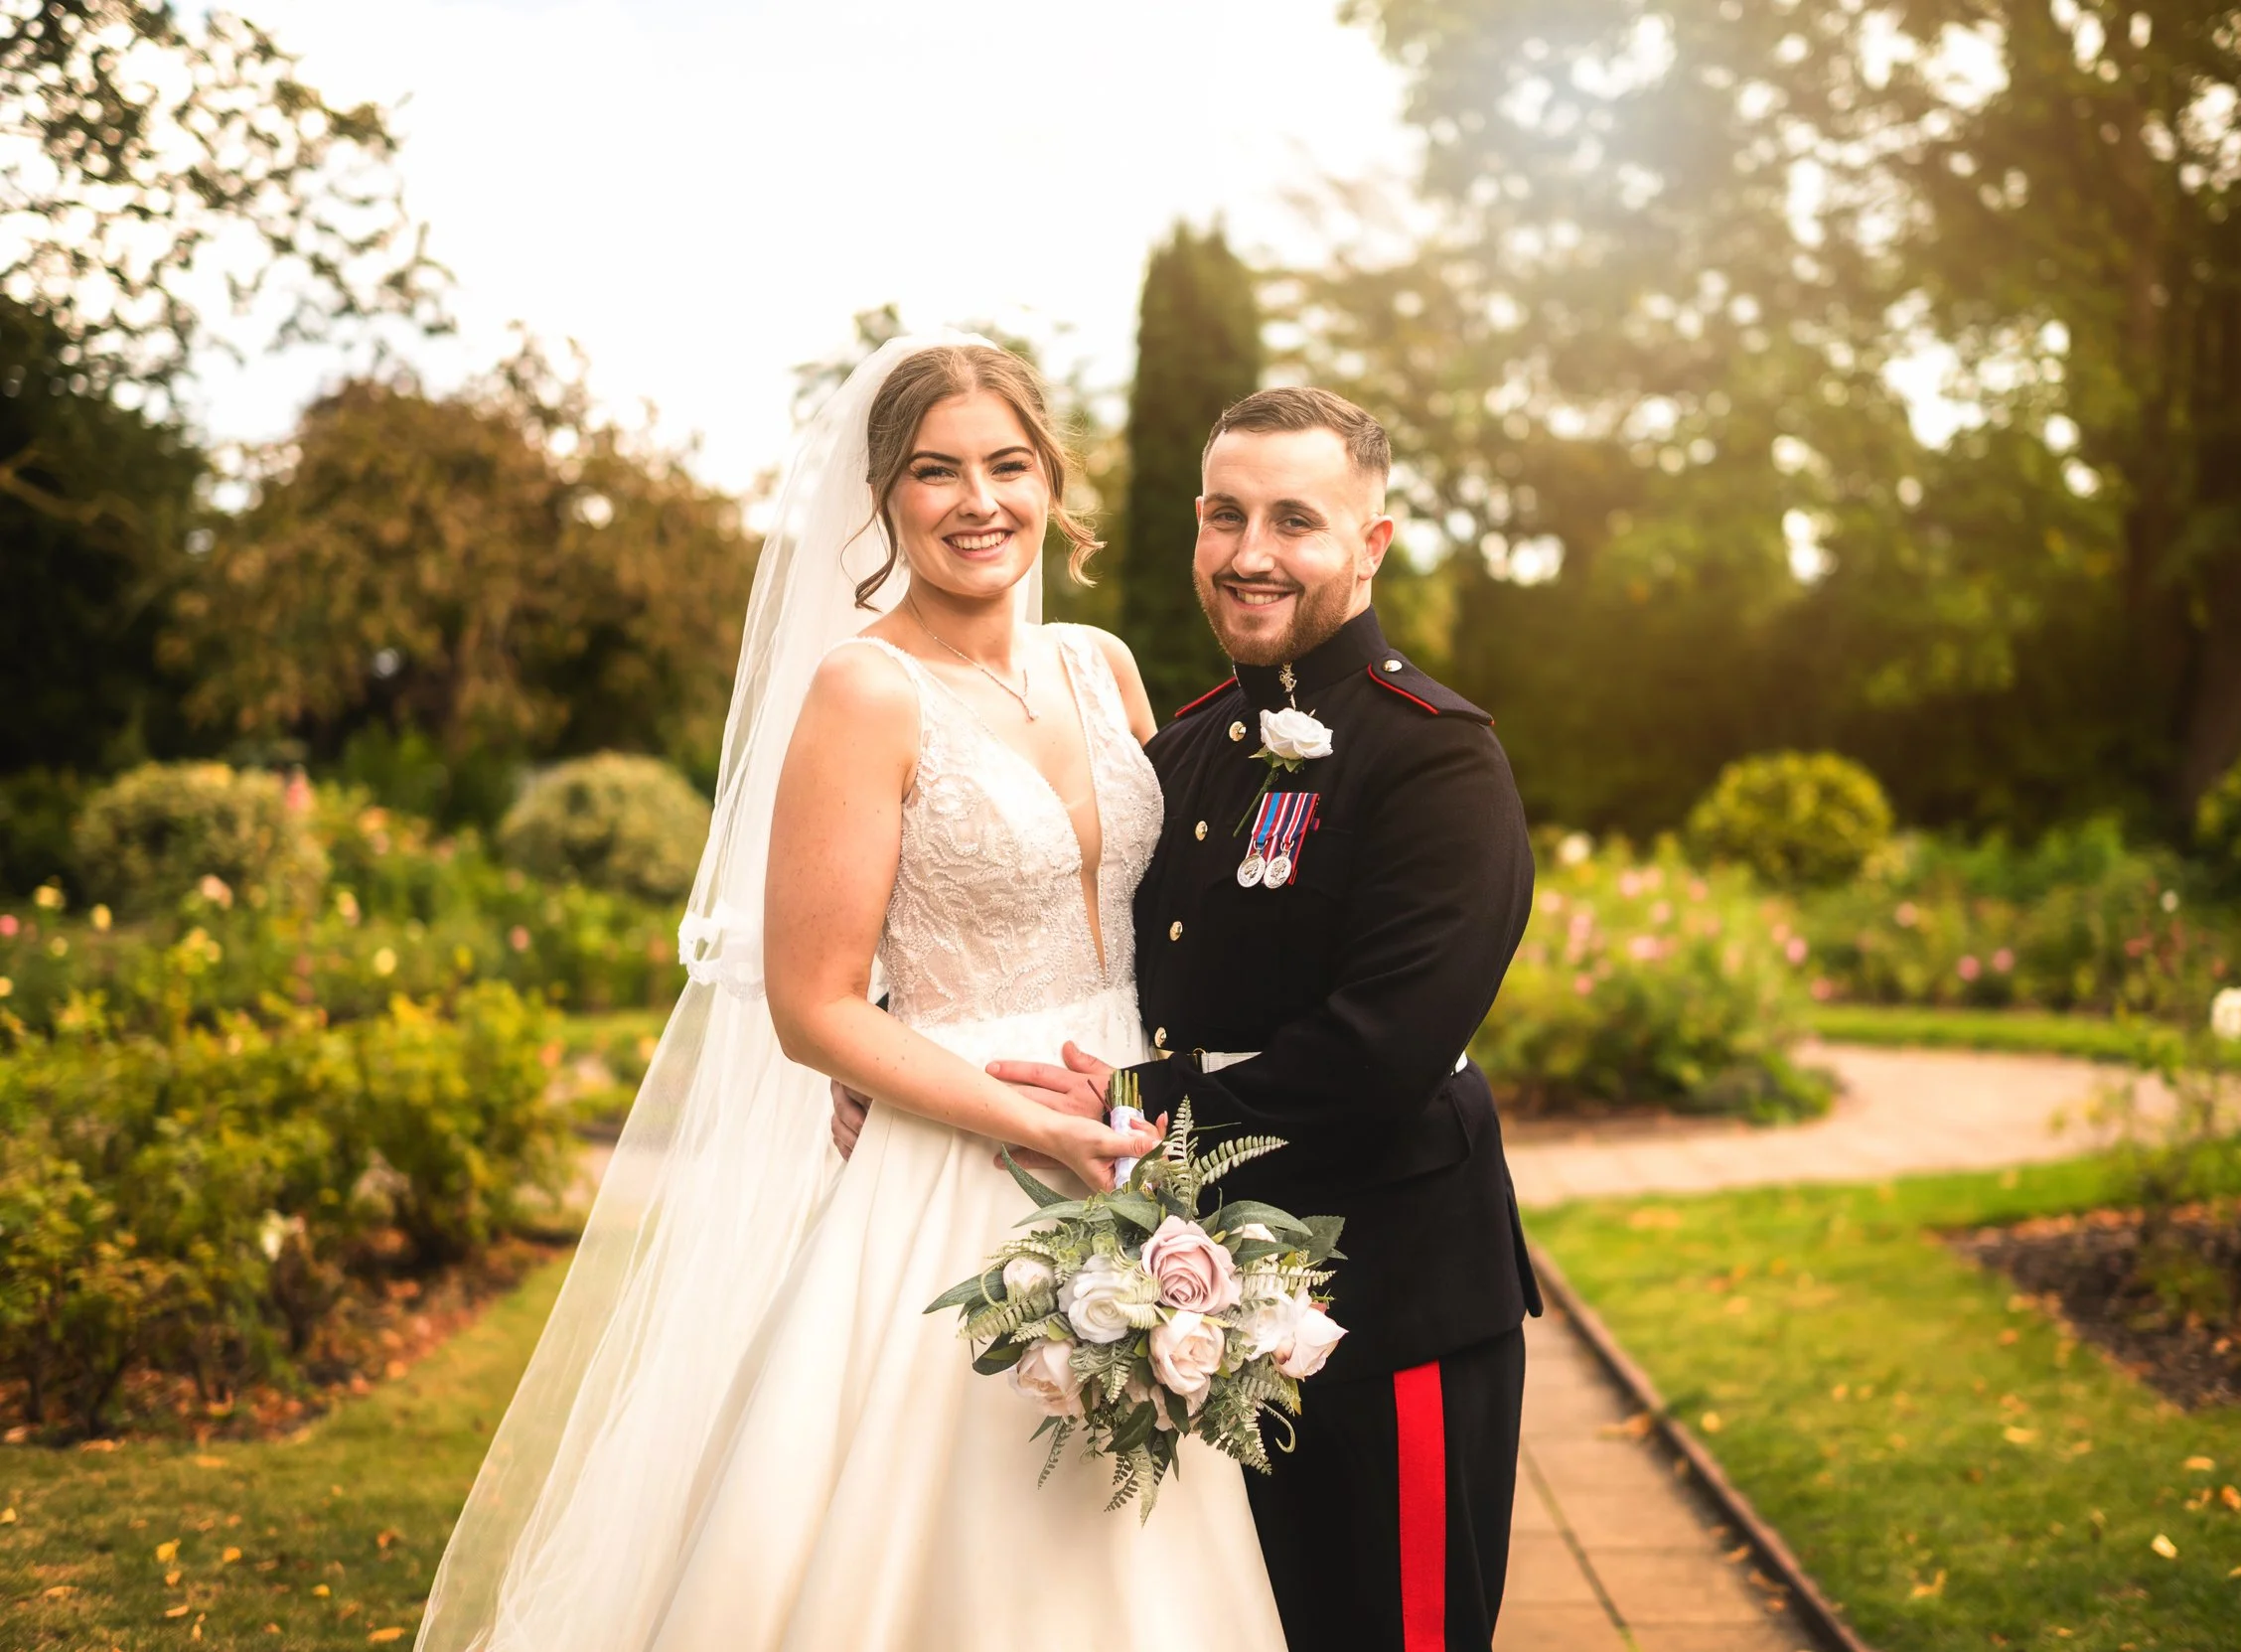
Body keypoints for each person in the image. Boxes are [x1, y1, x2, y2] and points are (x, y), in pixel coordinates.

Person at [414, 337, 1287, 1652]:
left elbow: (1154, 917)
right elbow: (813, 1003)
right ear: (883, 496)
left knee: (1129, 1507)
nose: (977, 498)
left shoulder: (1099, 663)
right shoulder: (863, 691)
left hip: (1129, 1133)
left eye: (1006, 463)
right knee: (957, 1516)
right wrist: (1034, 1123)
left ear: (1053, 480)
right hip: (954, 1154)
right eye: (936, 470)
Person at [841, 385, 1542, 1651]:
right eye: (1225, 516)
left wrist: (1133, 1109)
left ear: (1371, 542)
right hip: (1198, 1306)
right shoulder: (1187, 746)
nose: (1252, 552)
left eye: (1296, 520)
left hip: (1390, 1296)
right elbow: (1078, 929)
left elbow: (1381, 1051)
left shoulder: (1436, 756)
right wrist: (906, 1028)